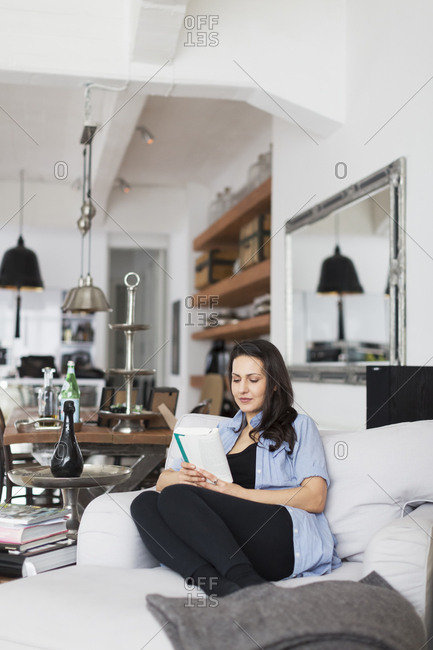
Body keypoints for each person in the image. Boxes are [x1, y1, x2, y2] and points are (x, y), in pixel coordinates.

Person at [130, 339, 340, 597]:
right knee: (144, 502)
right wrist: (183, 477)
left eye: (253, 380)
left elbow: (315, 497)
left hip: (278, 533)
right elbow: (162, 482)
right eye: (236, 379)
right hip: (230, 539)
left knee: (177, 496)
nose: (242, 389)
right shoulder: (221, 433)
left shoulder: (298, 425)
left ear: (274, 384)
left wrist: (236, 492)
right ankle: (219, 585)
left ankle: (248, 581)